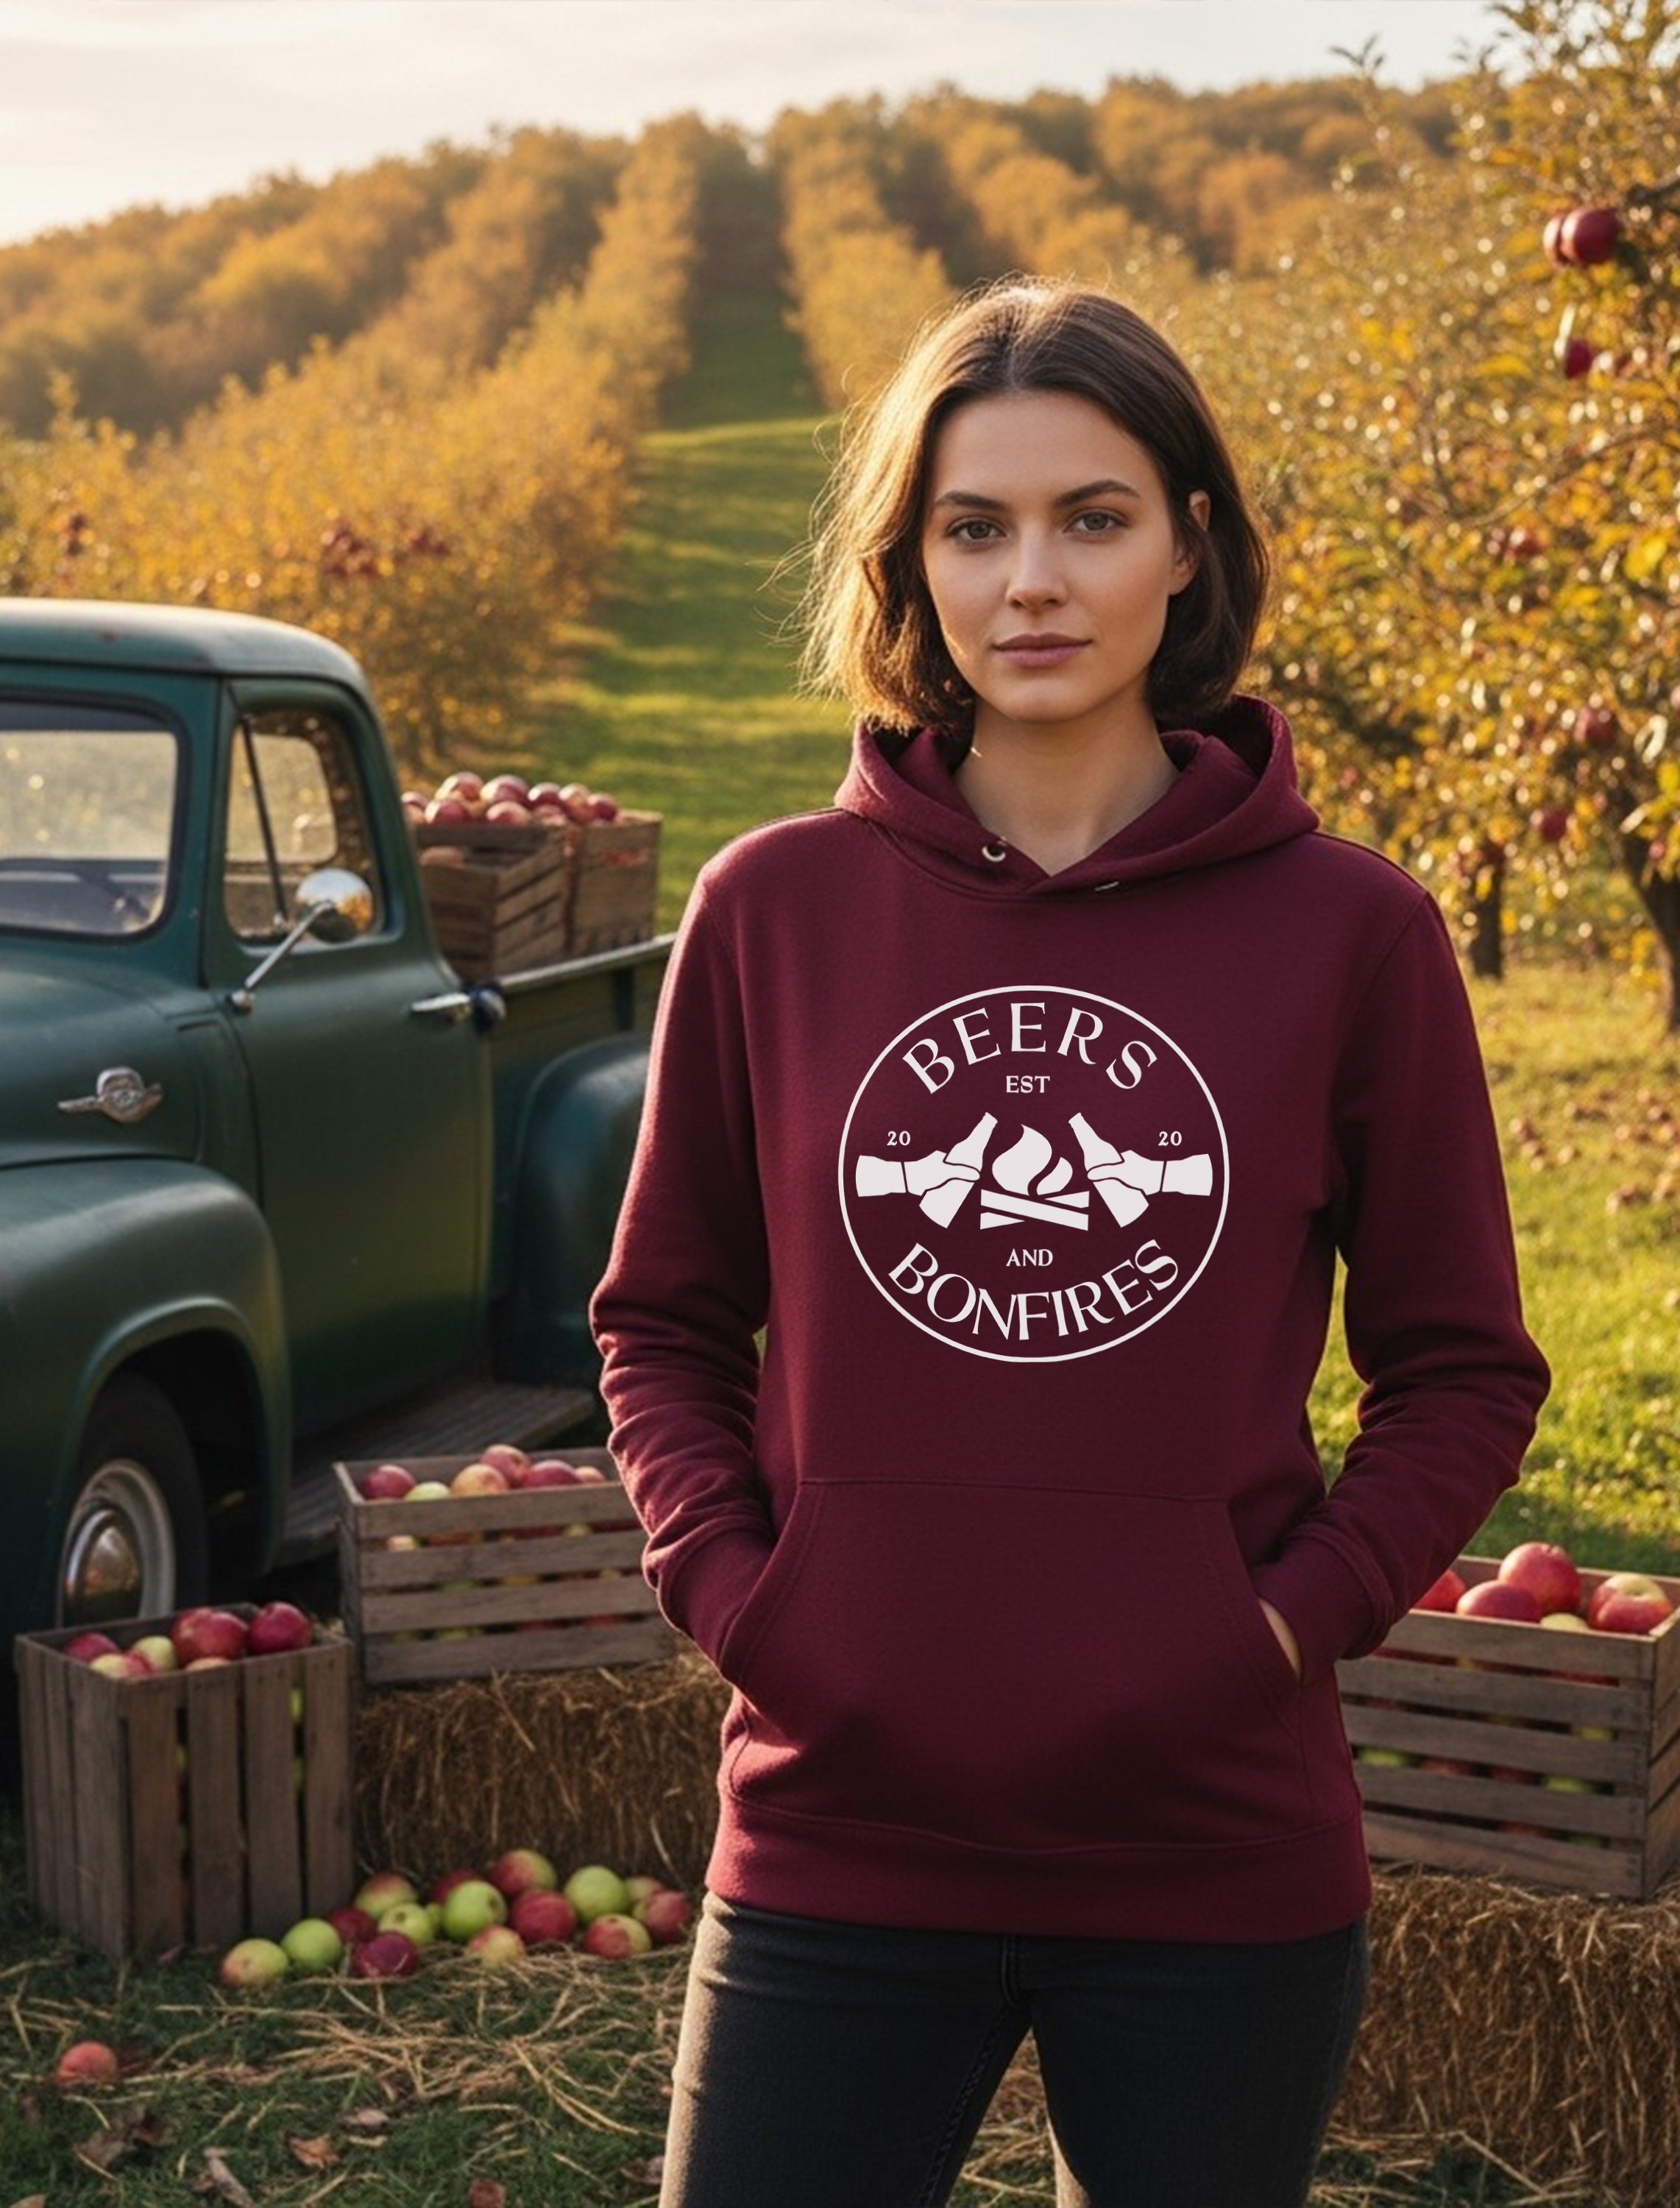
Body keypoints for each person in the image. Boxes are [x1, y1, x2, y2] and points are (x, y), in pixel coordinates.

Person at [587, 276, 1551, 2208]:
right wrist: (747, 1601)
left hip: (1213, 1854)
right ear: (912, 564)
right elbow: (664, 1321)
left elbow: (1462, 1369)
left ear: (1191, 545)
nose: (1032, 579)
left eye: (1092, 517)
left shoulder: (1354, 934)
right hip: (838, 1833)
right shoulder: (771, 909)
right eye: (975, 526)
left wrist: (1274, 1626)